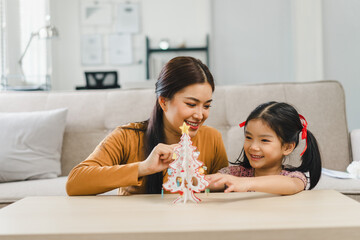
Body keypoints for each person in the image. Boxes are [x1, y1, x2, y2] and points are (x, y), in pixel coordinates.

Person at [66, 56, 228, 196]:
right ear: (164, 102)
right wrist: (144, 168)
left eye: (206, 106)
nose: (200, 115)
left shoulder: (212, 138)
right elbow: (75, 182)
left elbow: (224, 190)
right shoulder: (127, 136)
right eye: (191, 104)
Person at [206, 101, 322, 195]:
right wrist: (194, 181)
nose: (253, 147)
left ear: (287, 147)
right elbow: (205, 182)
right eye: (249, 137)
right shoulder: (236, 174)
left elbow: (290, 184)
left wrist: (245, 183)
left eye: (264, 140)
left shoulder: (293, 177)